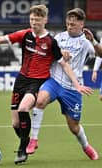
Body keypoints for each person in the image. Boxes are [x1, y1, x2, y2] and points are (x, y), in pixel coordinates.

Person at [0, 5, 93, 164]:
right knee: (15, 123)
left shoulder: (51, 41)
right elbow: (0, 40)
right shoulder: (25, 34)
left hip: (37, 82)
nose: (34, 22)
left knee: (23, 109)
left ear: (45, 20)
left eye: (37, 20)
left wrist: (77, 84)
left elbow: (64, 64)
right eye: (32, 19)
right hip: (21, 80)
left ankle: (22, 149)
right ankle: (26, 141)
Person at [27, 8, 99, 160]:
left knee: (74, 126)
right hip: (55, 81)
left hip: (73, 87)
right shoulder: (59, 37)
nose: (71, 23)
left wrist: (93, 41)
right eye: (69, 20)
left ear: (82, 23)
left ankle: (86, 146)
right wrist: (58, 54)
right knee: (40, 101)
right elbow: (48, 54)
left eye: (75, 20)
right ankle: (33, 139)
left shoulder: (86, 43)